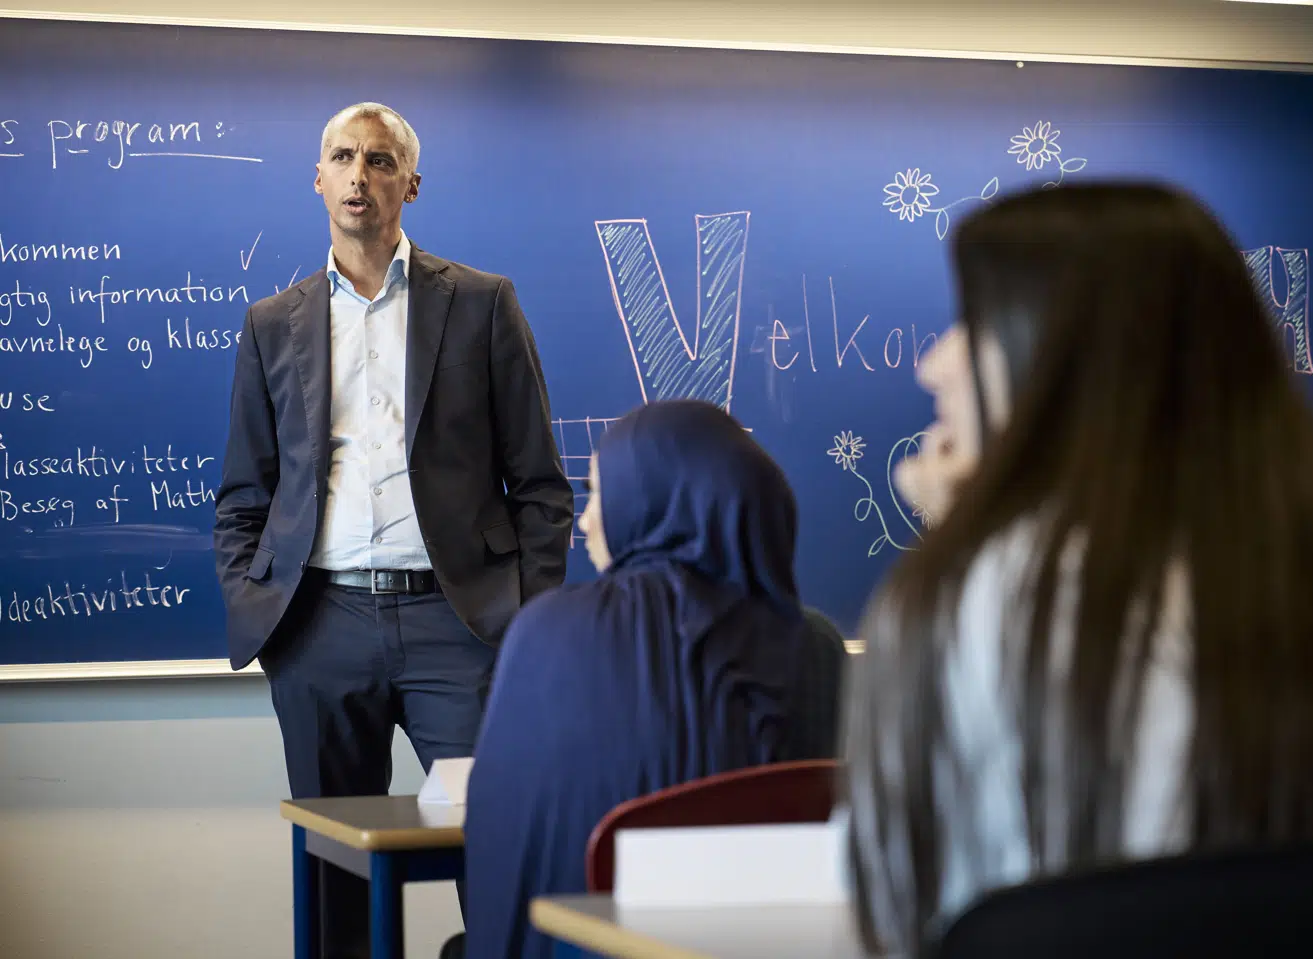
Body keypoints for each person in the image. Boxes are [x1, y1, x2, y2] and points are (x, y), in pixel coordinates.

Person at [842, 182, 1313, 958]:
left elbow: (898, 907)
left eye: (971, 323)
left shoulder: (968, 596)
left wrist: (955, 544)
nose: (934, 365)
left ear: (1065, 355)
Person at [213, 102, 573, 958]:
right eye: (342, 157)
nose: (359, 175)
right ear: (318, 178)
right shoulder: (273, 323)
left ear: (410, 182)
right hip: (320, 624)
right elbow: (243, 491)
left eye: (379, 161)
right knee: (336, 873)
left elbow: (541, 486)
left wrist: (527, 623)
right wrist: (263, 612)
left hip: (461, 625)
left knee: (498, 854)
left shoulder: (482, 304)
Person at [456, 399, 845, 959]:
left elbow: (501, 840)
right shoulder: (820, 649)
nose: (586, 520)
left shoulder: (549, 632)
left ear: (649, 501)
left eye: (600, 493)